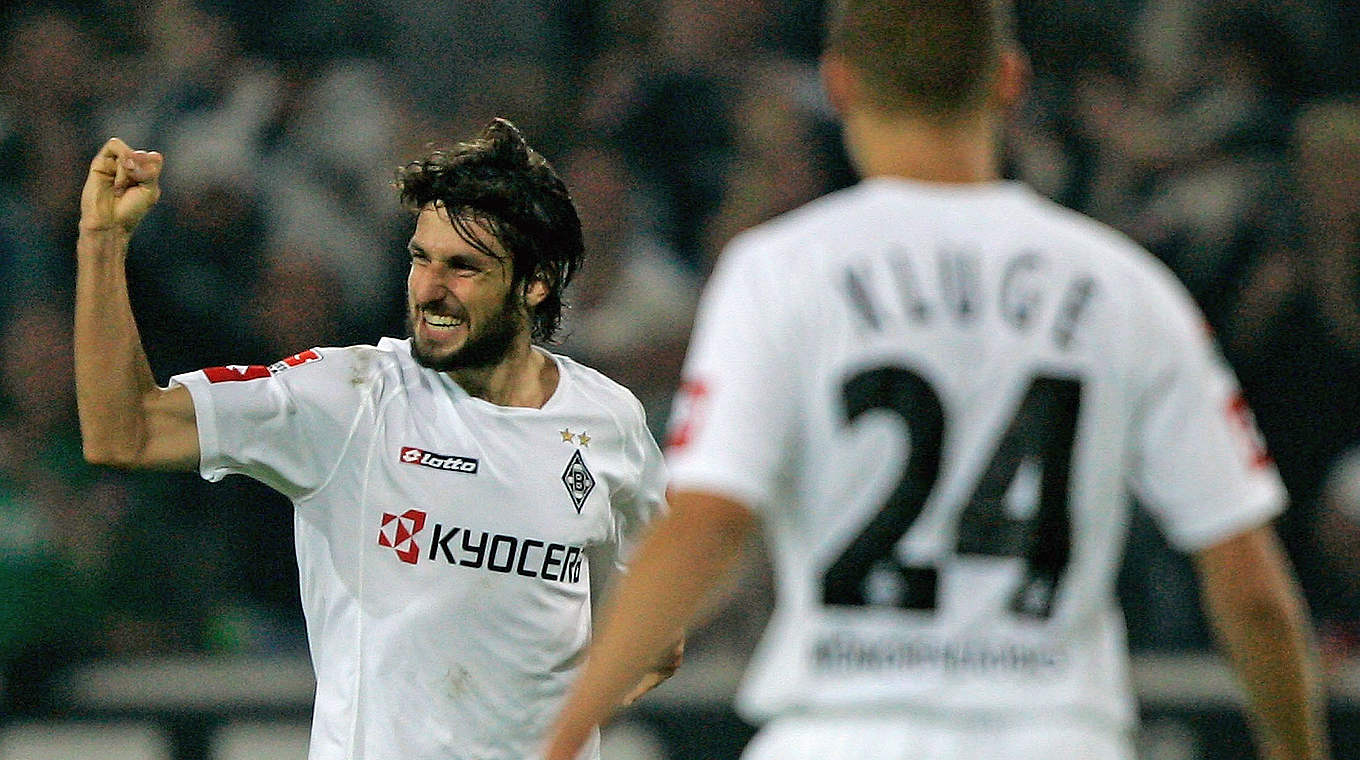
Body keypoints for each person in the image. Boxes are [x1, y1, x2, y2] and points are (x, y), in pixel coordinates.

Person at [542, 3, 1332, 760]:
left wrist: (566, 727)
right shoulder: (1126, 287)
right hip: (1056, 735)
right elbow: (1248, 580)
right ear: (1010, 81)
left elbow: (709, 525)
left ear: (841, 82)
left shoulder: (781, 270)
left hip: (842, 732)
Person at [75, 118, 678, 760]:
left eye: (464, 267)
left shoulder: (608, 420)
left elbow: (660, 623)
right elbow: (127, 431)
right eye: (421, 258)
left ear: (535, 282)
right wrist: (101, 241)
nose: (430, 288)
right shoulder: (347, 397)